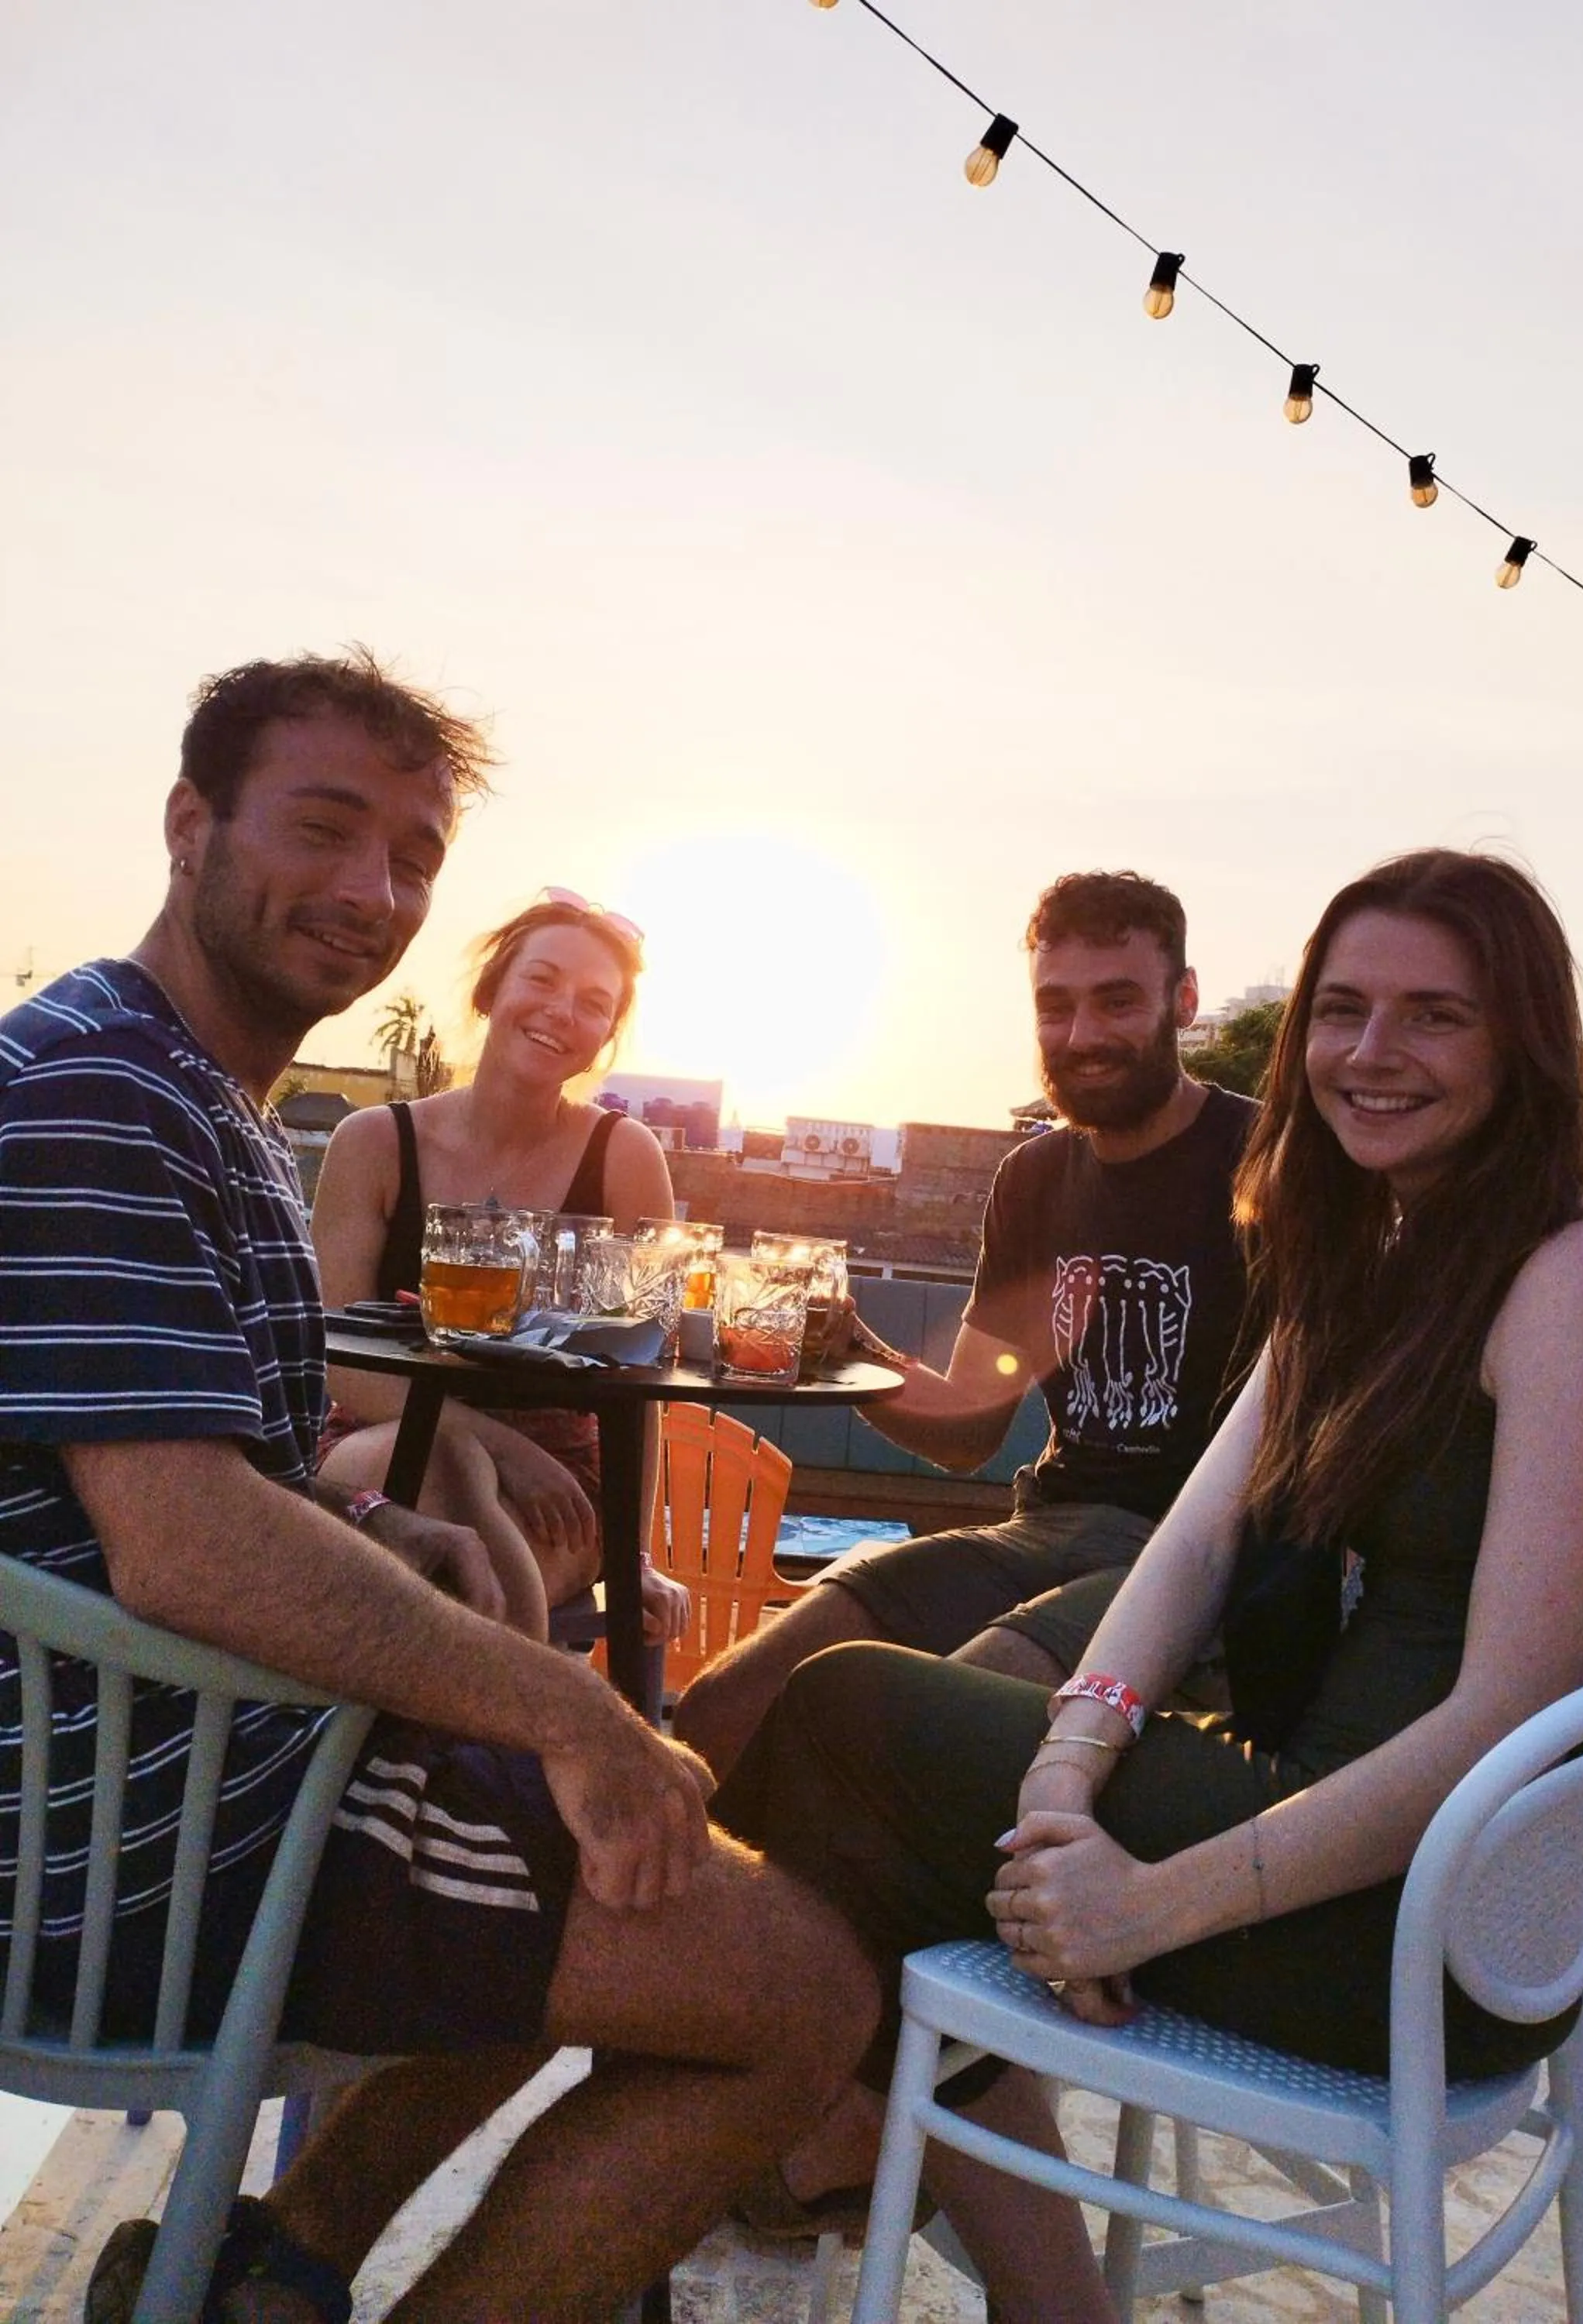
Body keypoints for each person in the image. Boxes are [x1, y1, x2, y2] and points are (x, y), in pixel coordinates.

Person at [714, 847, 1583, 2321]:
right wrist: (1068, 1762)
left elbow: (1504, 1711)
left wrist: (1151, 1905)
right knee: (863, 1767)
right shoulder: (1375, 1246)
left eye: (1433, 1016)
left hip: (1407, 1933)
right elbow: (1194, 1543)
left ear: (1525, 1042)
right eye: (1341, 1010)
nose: (1370, 1056)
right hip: (1316, 1823)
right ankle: (904, 2183)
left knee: (833, 1729)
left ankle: (853, 2160)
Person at [0, 651, 875, 2323]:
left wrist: (370, 1522)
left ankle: (276, 2268)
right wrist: (571, 1714)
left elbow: (206, 1478)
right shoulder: (109, 1092)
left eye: (411, 858)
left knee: (622, 1853)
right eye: (325, 830)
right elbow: (183, 1545)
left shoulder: (204, 1102)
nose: (370, 891)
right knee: (797, 1991)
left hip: (200, 1770)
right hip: (135, 1859)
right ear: (191, 823)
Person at [674, 868, 1258, 1779]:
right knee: (723, 1710)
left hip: (1203, 1562)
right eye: (1053, 1007)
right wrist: (847, 1350)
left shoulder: (1267, 1167)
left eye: (1116, 1002)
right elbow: (967, 1432)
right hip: (1045, 1530)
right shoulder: (1034, 1182)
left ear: (1182, 1001)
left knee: (924, 1726)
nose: (1081, 1036)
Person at [311, 890, 690, 1645]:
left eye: (591, 1003)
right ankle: (518, 1739)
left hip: (562, 1480)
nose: (559, 1012)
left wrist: (632, 1552)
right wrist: (498, 1448)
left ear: (606, 1034)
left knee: (446, 1517)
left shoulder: (624, 1157)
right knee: (439, 1460)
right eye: (540, 980)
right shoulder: (372, 1144)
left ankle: (424, 1756)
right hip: (372, 1442)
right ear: (492, 990)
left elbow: (641, 1379)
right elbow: (340, 1366)